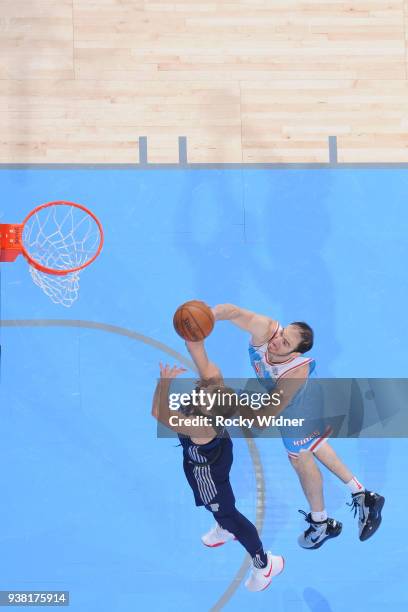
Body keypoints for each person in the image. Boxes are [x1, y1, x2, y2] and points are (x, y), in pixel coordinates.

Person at [211, 303, 385, 549]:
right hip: (298, 400)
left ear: (294, 354)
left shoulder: (294, 373)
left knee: (300, 458)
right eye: (282, 334)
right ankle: (364, 496)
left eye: (285, 343)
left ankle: (321, 523)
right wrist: (209, 316)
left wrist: (229, 398)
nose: (277, 341)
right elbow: (233, 312)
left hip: (298, 407)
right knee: (312, 444)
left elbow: (262, 419)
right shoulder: (267, 330)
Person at [151, 338, 284, 591]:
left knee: (228, 513)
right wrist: (194, 336)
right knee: (220, 506)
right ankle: (223, 525)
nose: (200, 387)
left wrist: (164, 382)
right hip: (218, 454)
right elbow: (200, 355)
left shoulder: (200, 426)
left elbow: (158, 413)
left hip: (208, 472)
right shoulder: (214, 386)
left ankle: (264, 565)